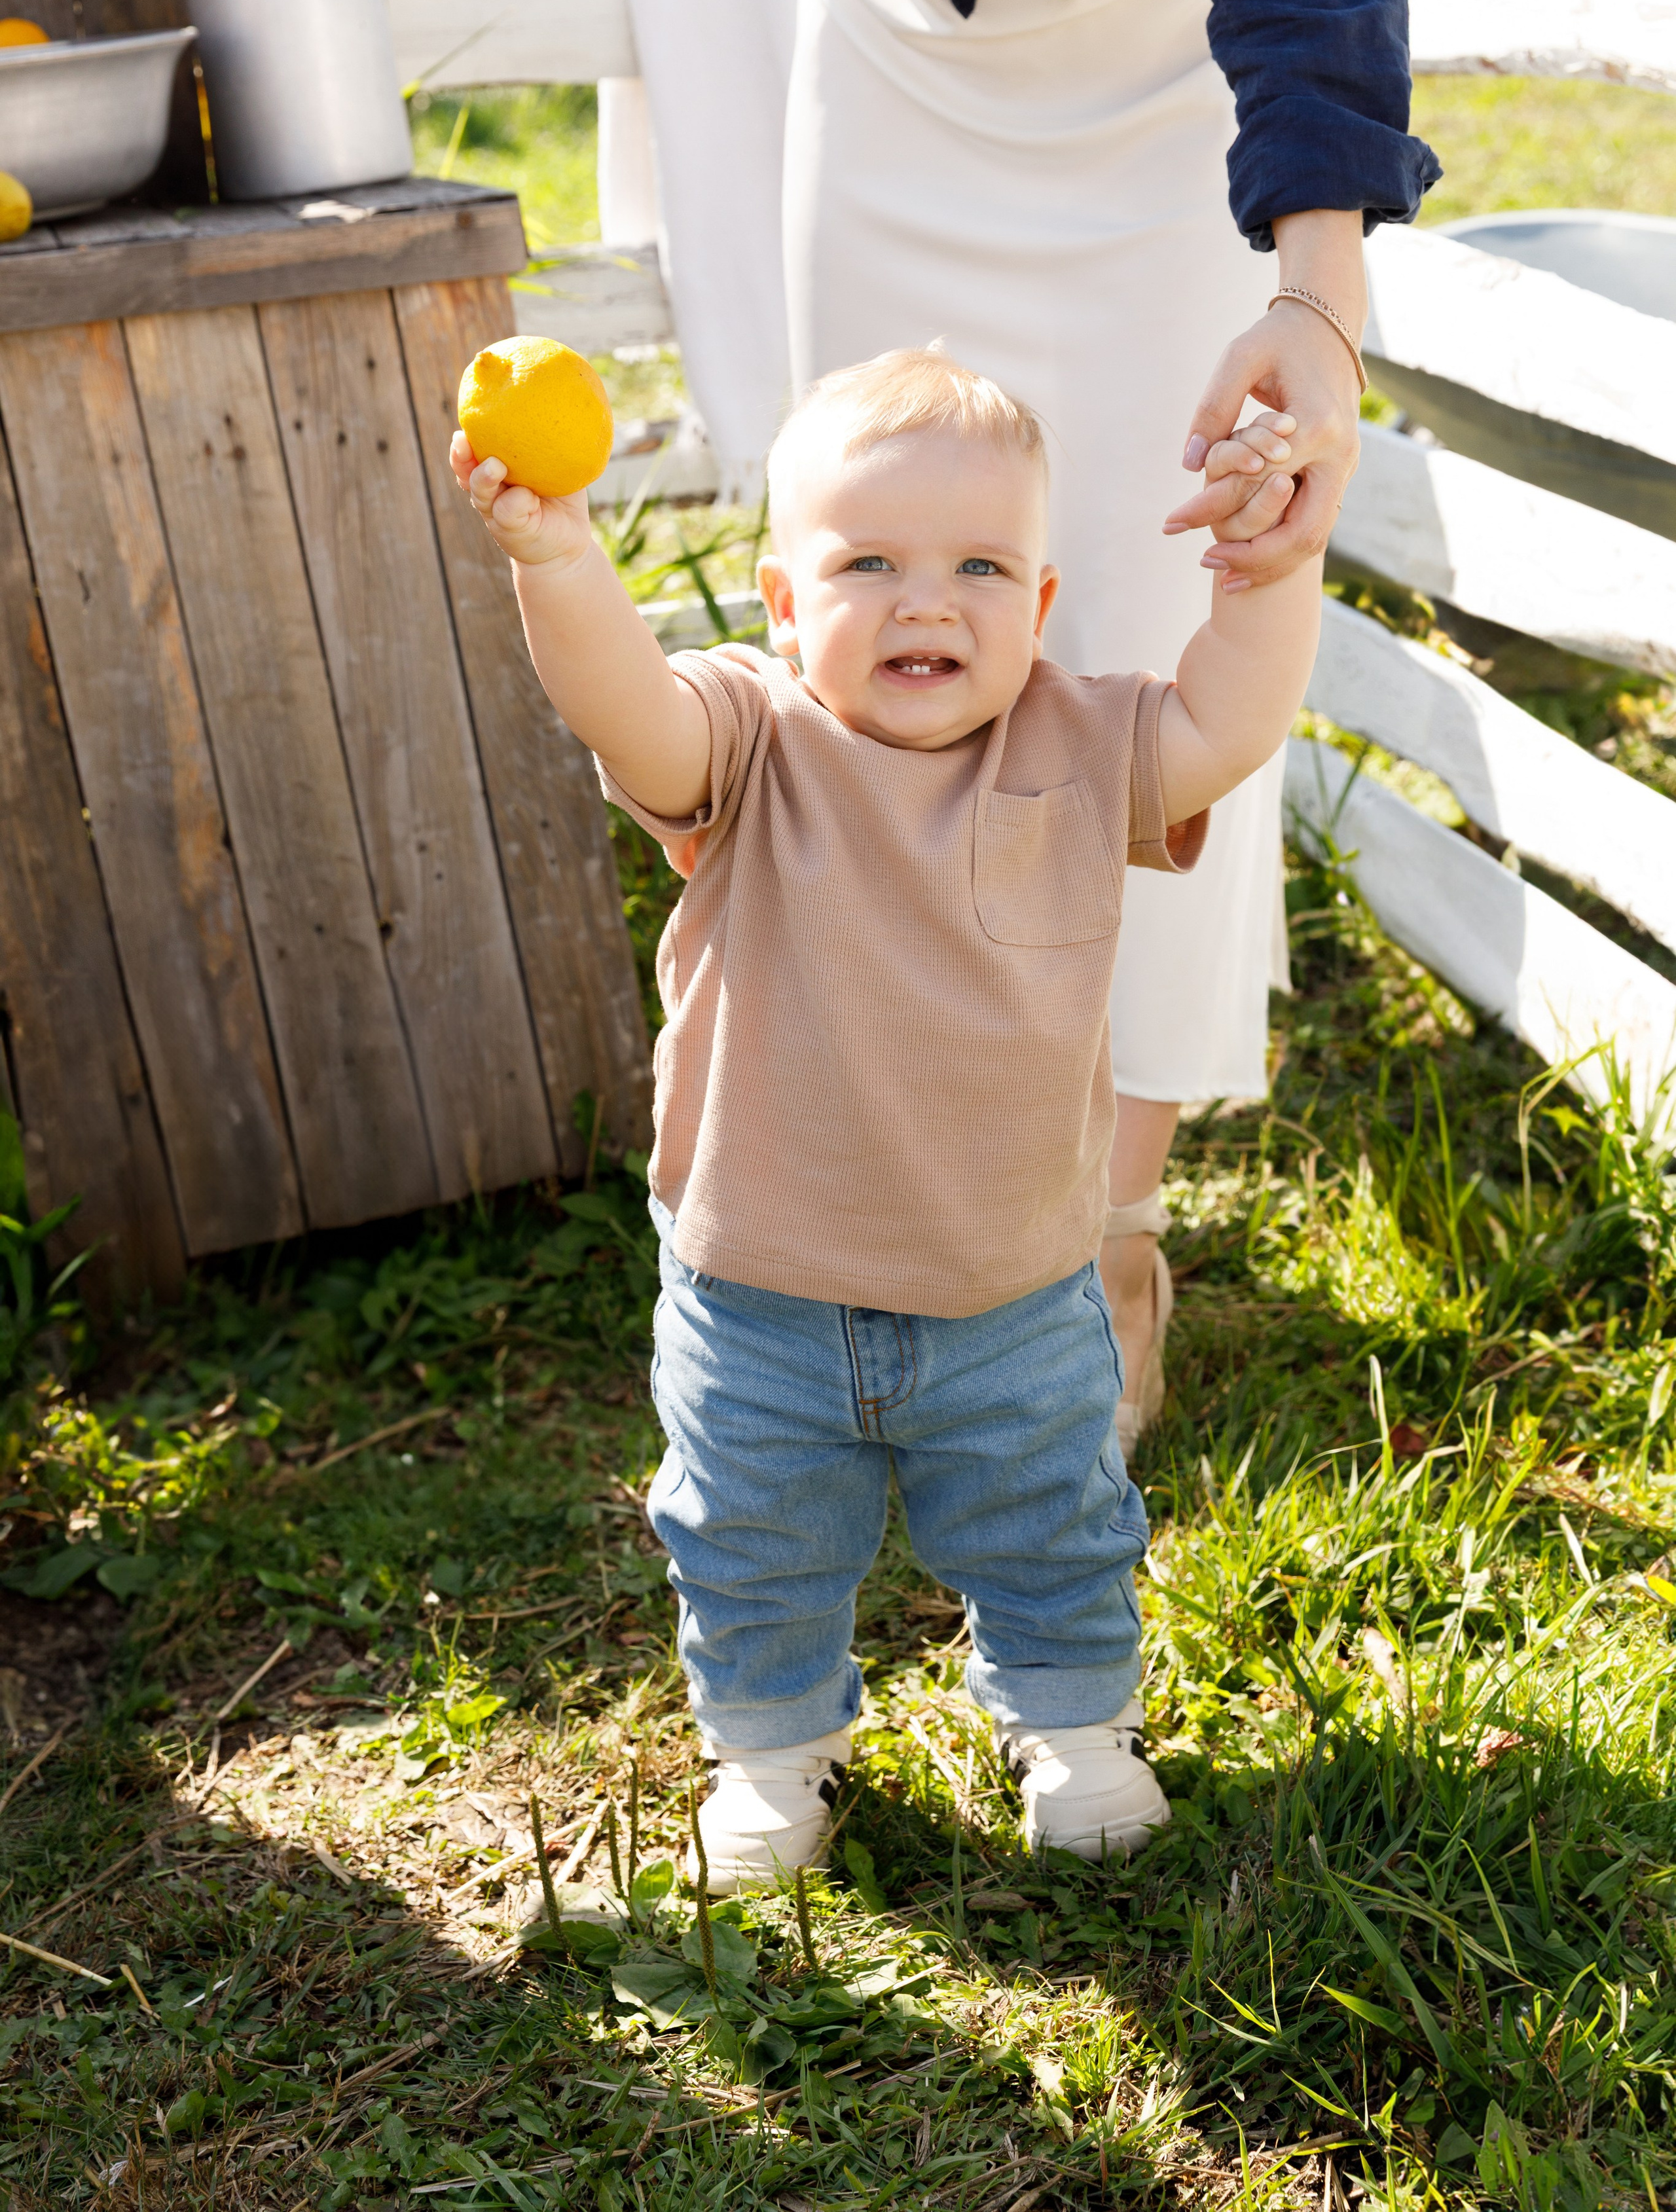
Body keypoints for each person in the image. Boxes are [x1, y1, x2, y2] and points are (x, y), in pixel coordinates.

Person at [548, 0, 1438, 1444]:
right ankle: (924, 1210)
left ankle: (1097, 1239)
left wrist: (1315, 305)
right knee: (900, 646)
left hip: (1168, 89)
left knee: (1138, 633)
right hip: (889, 72)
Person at [450, 343, 1319, 1883]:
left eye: (980, 565)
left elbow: (1226, 727)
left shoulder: (1076, 739)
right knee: (751, 1545)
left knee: (1052, 1523)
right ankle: (777, 1756)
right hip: (762, 1297)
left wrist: (1270, 580)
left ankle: (1070, 1725)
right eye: (868, 564)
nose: (929, 601)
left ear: (1039, 608)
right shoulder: (747, 739)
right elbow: (622, 707)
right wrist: (561, 556)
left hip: (1011, 1290)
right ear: (782, 608)